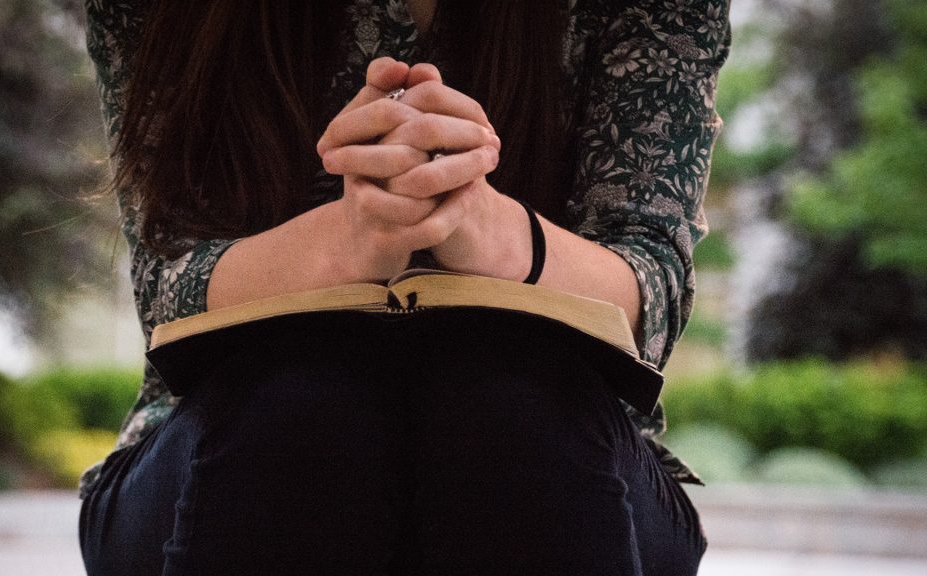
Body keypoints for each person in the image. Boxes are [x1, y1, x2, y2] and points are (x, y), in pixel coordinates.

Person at [78, 0, 731, 574]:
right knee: (302, 410)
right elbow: (165, 285)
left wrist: (483, 223)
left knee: (510, 410)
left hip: (559, 446)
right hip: (232, 441)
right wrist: (348, 236)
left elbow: (652, 297)